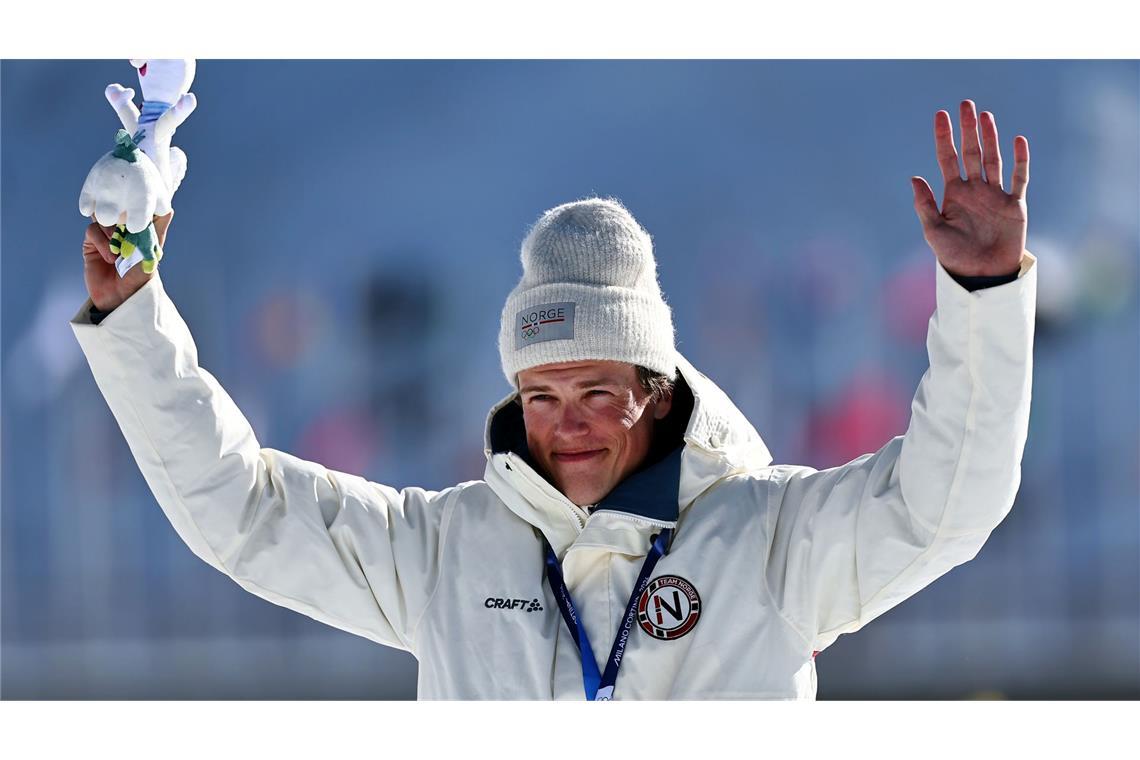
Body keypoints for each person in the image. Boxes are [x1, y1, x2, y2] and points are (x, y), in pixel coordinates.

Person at [72, 100, 1036, 700]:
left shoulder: (771, 542)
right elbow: (242, 511)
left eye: (594, 390)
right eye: (539, 392)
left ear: (655, 393)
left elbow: (944, 505)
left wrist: (985, 298)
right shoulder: (446, 552)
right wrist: (131, 318)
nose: (563, 423)